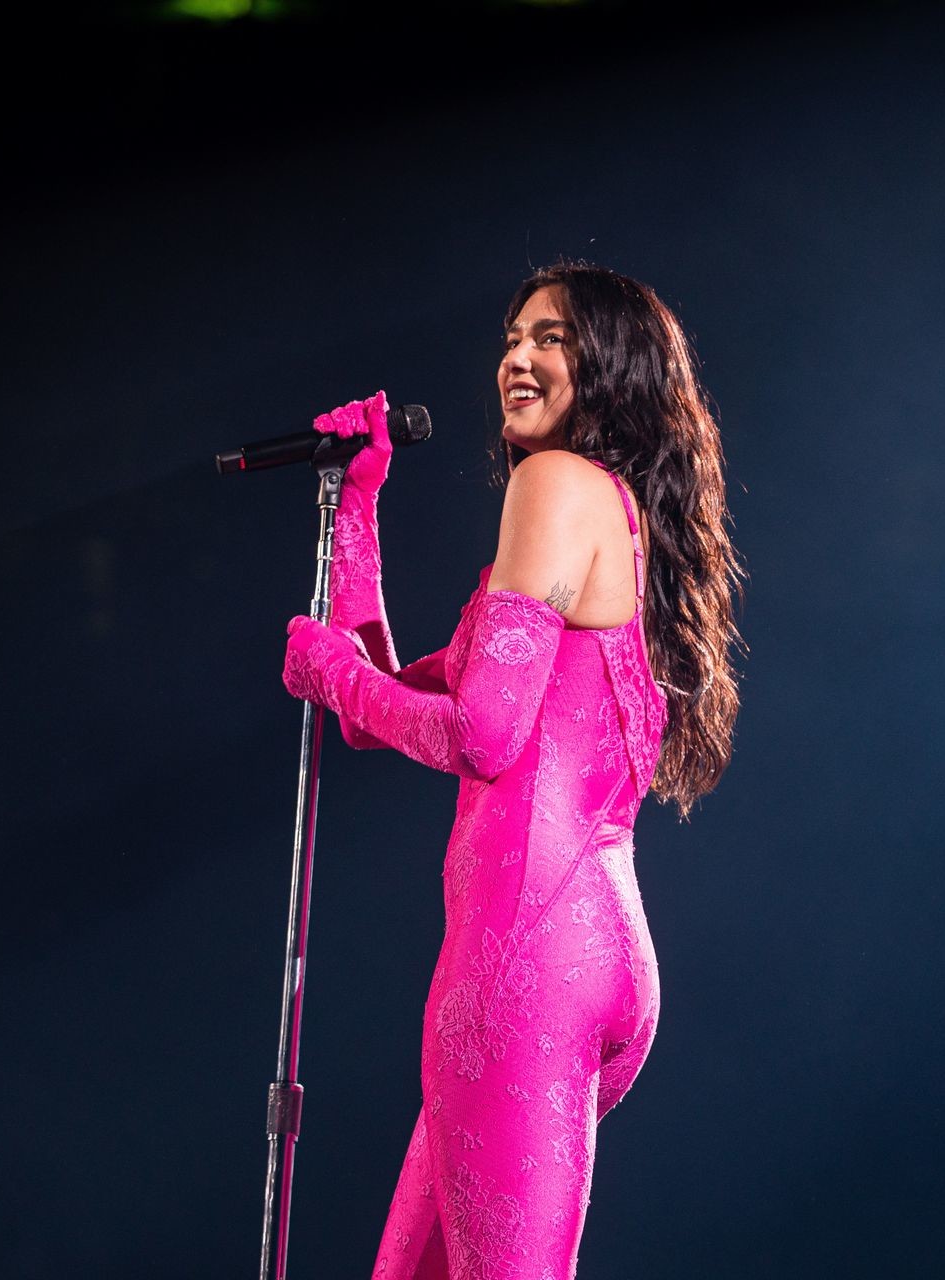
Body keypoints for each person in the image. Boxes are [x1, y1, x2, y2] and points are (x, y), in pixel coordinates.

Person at [281, 260, 747, 1279]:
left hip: (523, 960)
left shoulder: (555, 484)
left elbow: (480, 737)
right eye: (511, 338)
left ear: (611, 366)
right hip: (591, 952)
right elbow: (381, 708)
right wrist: (357, 506)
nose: (517, 358)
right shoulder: (618, 517)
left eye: (551, 338)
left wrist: (326, 672)